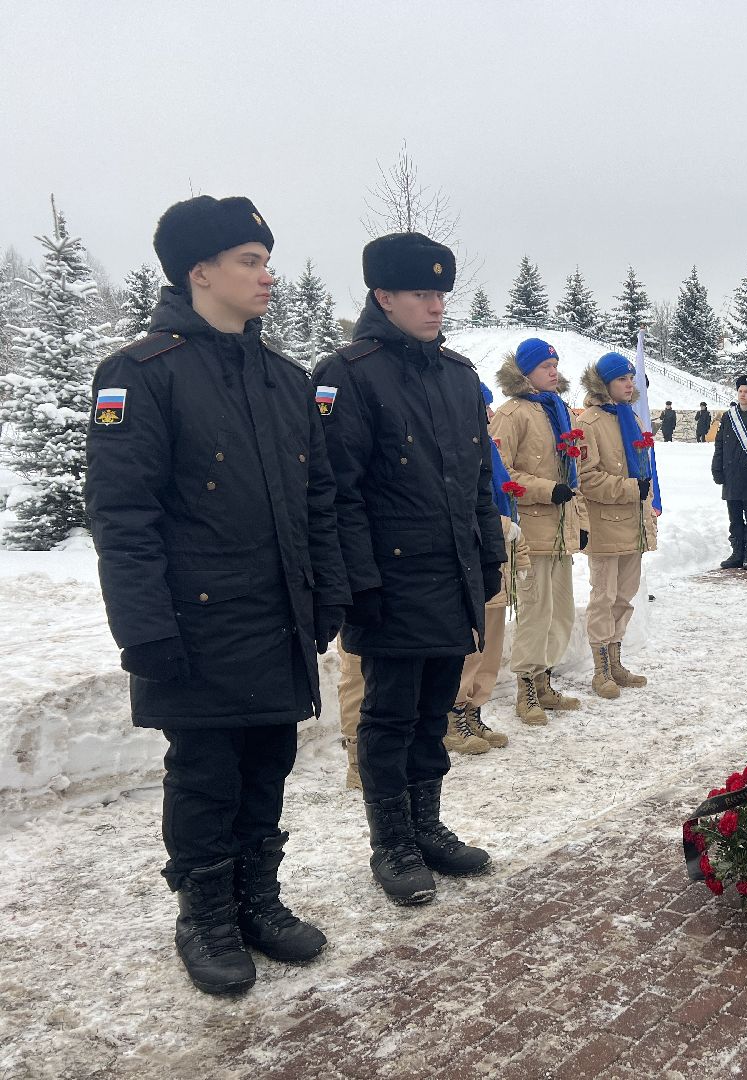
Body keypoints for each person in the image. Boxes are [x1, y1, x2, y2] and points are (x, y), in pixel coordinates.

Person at [86, 195, 347, 994]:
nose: (267, 275)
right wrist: (144, 632)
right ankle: (203, 912)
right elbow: (123, 515)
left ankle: (256, 898)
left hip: (276, 619)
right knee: (204, 771)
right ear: (200, 271)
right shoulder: (139, 373)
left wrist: (327, 593)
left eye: (266, 259)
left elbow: (318, 500)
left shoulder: (283, 377)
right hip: (194, 626)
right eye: (249, 260)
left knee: (268, 759)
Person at [313, 231, 507, 906]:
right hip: (390, 586)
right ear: (383, 296)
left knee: (432, 713)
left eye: (441, 294)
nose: (435, 306)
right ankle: (391, 842)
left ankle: (426, 826)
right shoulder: (348, 374)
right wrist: (358, 587)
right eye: (421, 294)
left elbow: (477, 481)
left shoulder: (457, 377)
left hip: (450, 577)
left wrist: (488, 559)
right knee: (389, 718)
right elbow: (337, 493)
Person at [490, 337, 589, 724]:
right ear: (525, 372)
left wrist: (579, 523)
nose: (554, 371)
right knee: (535, 612)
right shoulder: (511, 414)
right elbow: (501, 473)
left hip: (561, 531)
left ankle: (545, 680)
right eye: (546, 366)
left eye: (556, 365)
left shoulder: (560, 410)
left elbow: (574, 475)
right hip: (531, 531)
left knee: (560, 613)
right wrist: (546, 490)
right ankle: (526, 689)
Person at [446, 380, 529, 754]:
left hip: (495, 556)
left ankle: (475, 709)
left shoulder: (487, 453)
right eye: (483, 407)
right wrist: (500, 526)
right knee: (470, 643)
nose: (490, 415)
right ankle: (453, 715)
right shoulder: (451, 451)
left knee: (491, 643)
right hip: (469, 560)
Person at [576, 352, 658, 696]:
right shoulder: (589, 423)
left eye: (631, 378)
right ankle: (601, 670)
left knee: (625, 596)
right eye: (622, 378)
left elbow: (645, 471)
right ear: (604, 383)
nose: (630, 384)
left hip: (634, 523)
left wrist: (647, 509)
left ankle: (616, 660)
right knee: (604, 597)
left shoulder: (632, 418)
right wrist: (629, 489)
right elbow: (586, 477)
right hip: (606, 524)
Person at [712, 374, 747, 570]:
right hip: (731, 474)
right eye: (740, 391)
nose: (742, 394)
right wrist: (717, 467)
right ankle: (737, 552)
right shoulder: (729, 415)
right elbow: (720, 445)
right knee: (734, 517)